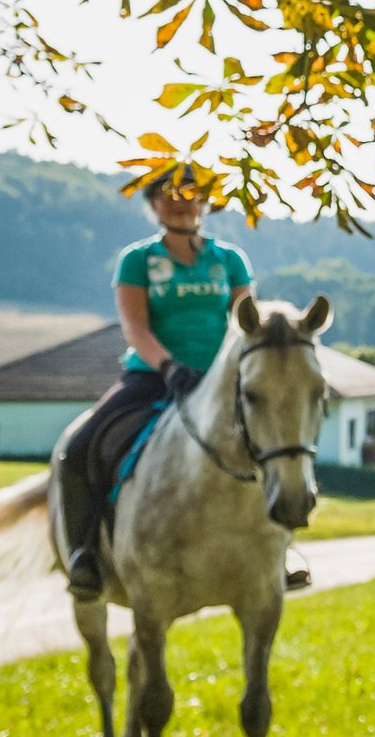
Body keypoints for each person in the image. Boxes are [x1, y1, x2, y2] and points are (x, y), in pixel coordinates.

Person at [54, 169, 254, 600]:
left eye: (190, 194)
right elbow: (135, 327)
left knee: (272, 443)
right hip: (153, 377)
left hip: (218, 383)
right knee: (81, 447)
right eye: (167, 195)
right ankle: (84, 553)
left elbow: (245, 323)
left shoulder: (231, 259)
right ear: (153, 204)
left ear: (206, 202)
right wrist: (168, 366)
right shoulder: (137, 259)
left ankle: (279, 552)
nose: (180, 202)